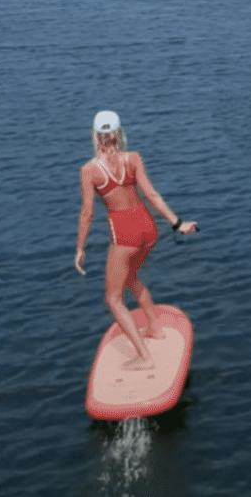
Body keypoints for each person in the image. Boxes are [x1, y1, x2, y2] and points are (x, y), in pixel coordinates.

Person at [75, 110, 198, 370]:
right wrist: (177, 223)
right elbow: (151, 194)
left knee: (113, 299)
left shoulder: (89, 170)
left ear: (95, 137)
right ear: (119, 133)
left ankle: (144, 358)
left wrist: (80, 248)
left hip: (125, 233)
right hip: (148, 227)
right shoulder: (133, 158)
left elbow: (87, 213)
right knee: (130, 277)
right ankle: (155, 327)